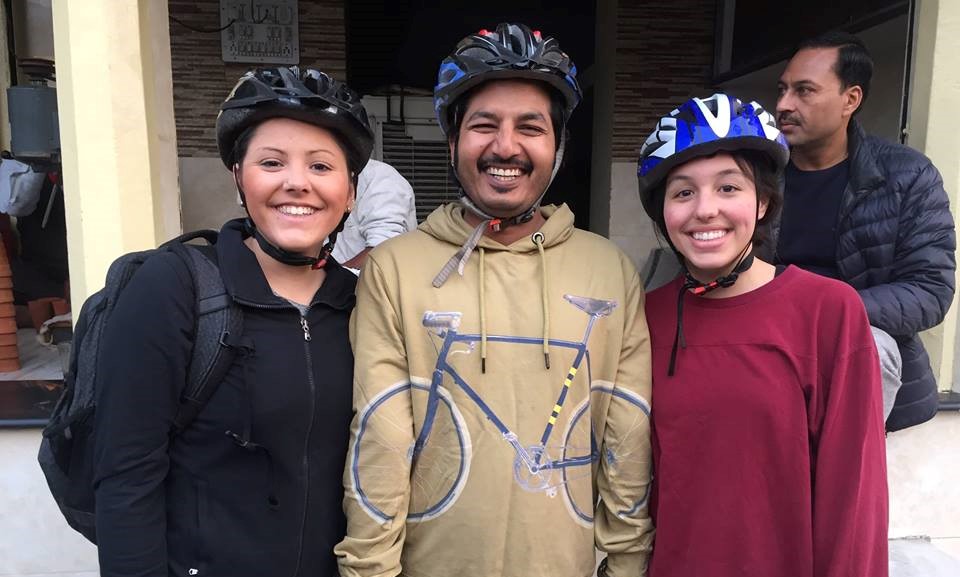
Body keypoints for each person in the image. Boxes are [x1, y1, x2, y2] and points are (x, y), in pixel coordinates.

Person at [336, 23, 653, 577]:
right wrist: (368, 568)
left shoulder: (608, 270)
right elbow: (381, 438)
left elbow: (625, 434)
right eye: (484, 125)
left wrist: (628, 565)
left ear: (558, 146)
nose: (505, 146)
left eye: (530, 127)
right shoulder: (393, 268)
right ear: (453, 141)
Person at [93, 66, 372, 577]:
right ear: (239, 177)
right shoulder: (175, 287)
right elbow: (126, 476)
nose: (297, 183)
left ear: (350, 191)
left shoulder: (362, 304)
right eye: (271, 162)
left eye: (320, 166)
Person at [638, 93, 889, 577]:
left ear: (763, 202)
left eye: (729, 187)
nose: (705, 210)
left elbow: (854, 499)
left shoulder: (827, 311)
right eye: (683, 192)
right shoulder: (645, 317)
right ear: (663, 212)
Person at [775, 31, 956, 431]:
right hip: (768, 333)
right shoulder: (758, 174)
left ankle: (845, 465)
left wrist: (828, 309)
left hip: (857, 342)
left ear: (850, 99)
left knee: (868, 347)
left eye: (804, 91)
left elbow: (930, 290)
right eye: (783, 89)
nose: (784, 105)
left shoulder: (907, 176)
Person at [332, 158, 417, 271]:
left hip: (370, 280)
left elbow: (383, 251)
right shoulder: (316, 178)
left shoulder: (381, 178)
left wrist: (327, 278)